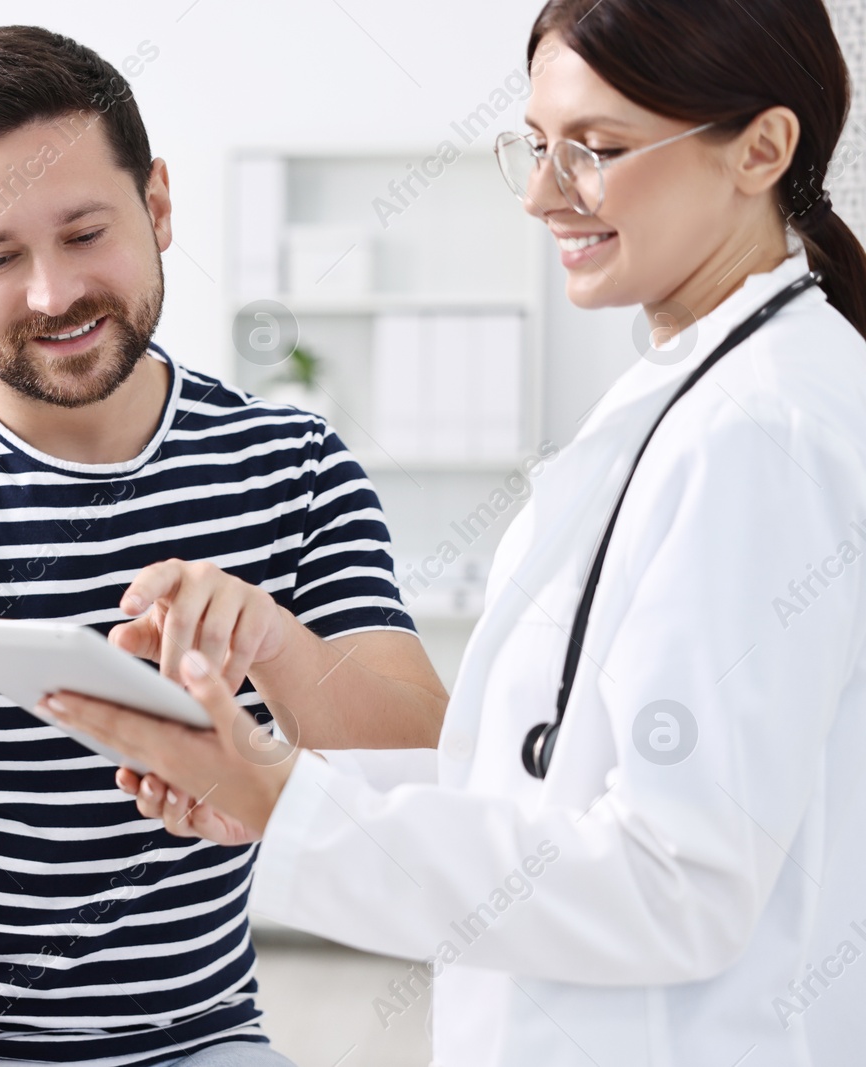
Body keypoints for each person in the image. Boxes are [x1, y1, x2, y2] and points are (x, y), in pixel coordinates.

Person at [44, 1, 866, 1064]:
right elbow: (535, 781)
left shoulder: (761, 428)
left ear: (762, 148)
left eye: (596, 150)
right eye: (534, 146)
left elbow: (679, 880)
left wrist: (289, 802)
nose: (539, 194)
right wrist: (268, 778)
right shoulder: (697, 390)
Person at [0, 25, 448, 1067]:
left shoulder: (293, 467)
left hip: (190, 1040)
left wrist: (276, 642)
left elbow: (422, 767)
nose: (53, 294)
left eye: (83, 232)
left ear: (157, 204)